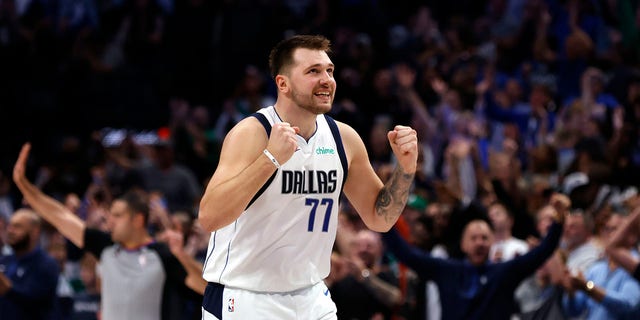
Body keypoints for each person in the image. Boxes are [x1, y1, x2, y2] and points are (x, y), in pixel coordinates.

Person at [197, 34, 418, 319]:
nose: (326, 79)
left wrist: (406, 168)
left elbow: (380, 218)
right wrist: (271, 158)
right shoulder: (253, 133)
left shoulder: (344, 138)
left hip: (311, 296)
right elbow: (209, 216)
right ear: (283, 83)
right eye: (313, 71)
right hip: (246, 296)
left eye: (329, 70)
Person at [12, 143, 206, 320]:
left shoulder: (162, 254)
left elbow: (205, 287)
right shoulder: (105, 246)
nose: (110, 220)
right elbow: (61, 217)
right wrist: (25, 187)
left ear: (138, 220)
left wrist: (182, 256)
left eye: (118, 215)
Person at [381, 193, 570, 320]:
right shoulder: (446, 269)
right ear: (463, 244)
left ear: (492, 243)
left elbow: (541, 252)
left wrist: (559, 221)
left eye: (485, 238)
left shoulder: (504, 272)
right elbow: (406, 254)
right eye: (474, 238)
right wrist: (383, 222)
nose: (479, 242)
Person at [0, 208, 60, 320]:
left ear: (35, 232)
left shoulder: (46, 264)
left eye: (17, 226)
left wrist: (8, 289)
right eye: (10, 225)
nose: (10, 230)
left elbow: (35, 300)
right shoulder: (4, 260)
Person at [606, 206, 640, 282]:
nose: (611, 234)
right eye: (607, 229)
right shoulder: (600, 264)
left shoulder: (634, 258)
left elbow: (611, 248)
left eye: (615, 229)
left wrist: (588, 287)